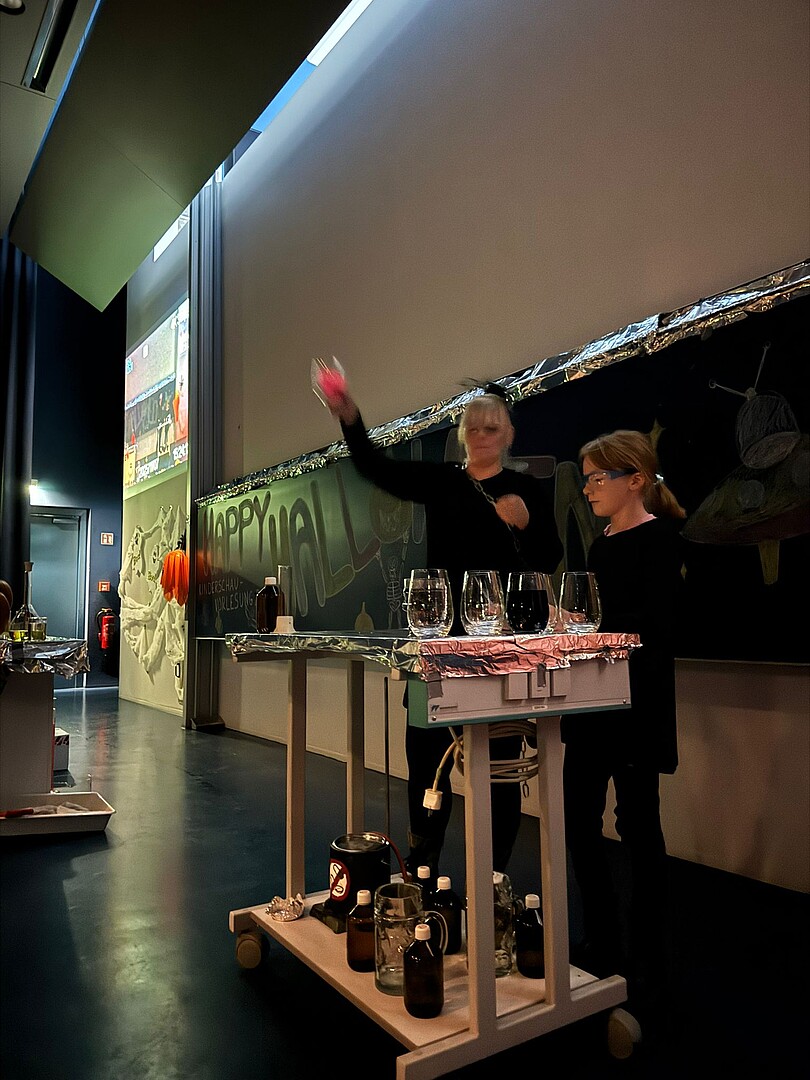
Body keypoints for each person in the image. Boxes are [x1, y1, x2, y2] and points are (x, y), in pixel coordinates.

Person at [326, 379, 563, 877]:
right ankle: (423, 870)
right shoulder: (443, 481)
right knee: (426, 760)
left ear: (508, 435)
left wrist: (526, 523)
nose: (481, 435)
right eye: (473, 427)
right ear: (461, 434)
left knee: (499, 767)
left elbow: (549, 559)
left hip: (501, 648)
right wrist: (350, 417)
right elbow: (376, 469)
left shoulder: (526, 490)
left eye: (491, 428)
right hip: (437, 643)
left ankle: (494, 881)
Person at [561, 429, 686, 1038]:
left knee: (639, 830)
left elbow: (657, 624)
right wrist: (576, 625)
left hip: (636, 710)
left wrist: (591, 625)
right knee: (577, 823)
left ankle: (647, 961)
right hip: (592, 709)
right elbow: (601, 619)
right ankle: (601, 940)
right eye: (585, 478)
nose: (587, 489)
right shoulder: (600, 544)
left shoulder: (661, 539)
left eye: (595, 478)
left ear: (634, 479)